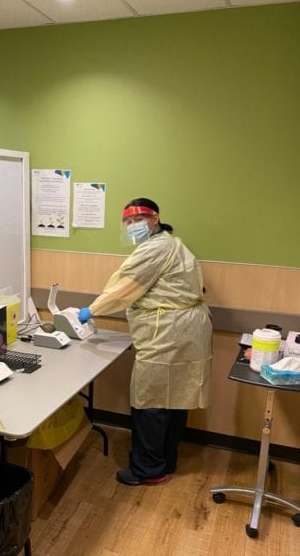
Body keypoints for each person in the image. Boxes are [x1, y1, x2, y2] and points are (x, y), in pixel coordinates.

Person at [78, 197, 212, 486]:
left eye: (137, 220)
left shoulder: (156, 249)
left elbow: (123, 289)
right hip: (186, 332)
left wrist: (91, 310)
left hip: (167, 334)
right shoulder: (174, 244)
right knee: (175, 399)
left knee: (150, 402)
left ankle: (148, 470)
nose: (132, 226)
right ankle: (166, 460)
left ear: (155, 220)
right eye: (127, 222)